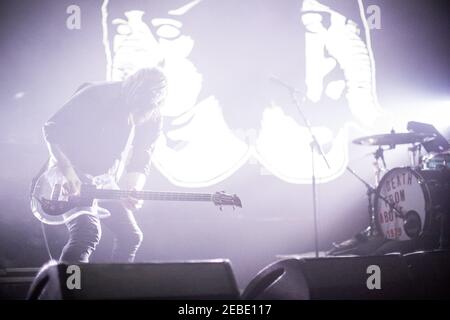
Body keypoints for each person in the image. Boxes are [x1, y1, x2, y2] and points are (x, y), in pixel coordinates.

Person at [42, 67, 167, 263]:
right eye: (134, 110)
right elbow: (52, 129)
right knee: (87, 234)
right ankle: (71, 289)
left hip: (102, 179)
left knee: (131, 237)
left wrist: (133, 188)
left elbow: (141, 158)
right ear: (129, 95)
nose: (137, 117)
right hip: (68, 173)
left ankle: (117, 290)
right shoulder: (96, 94)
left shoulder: (154, 115)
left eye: (144, 112)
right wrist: (69, 173)